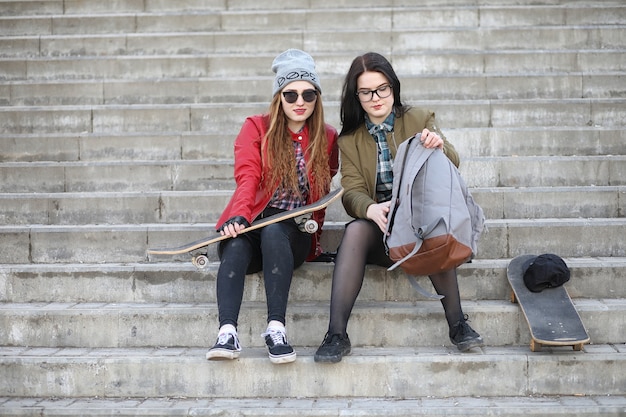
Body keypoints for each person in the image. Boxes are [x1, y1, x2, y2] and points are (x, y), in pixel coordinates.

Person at [313, 52, 483, 363]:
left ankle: (458, 324)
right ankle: (336, 334)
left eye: (383, 89)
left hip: (419, 222)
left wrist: (438, 146)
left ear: (394, 87)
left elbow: (454, 162)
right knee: (354, 231)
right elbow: (351, 192)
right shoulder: (349, 140)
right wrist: (371, 210)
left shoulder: (418, 119)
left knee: (429, 223)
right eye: (366, 92)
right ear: (356, 96)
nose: (376, 98)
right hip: (384, 228)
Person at [206, 49, 339, 364]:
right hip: (252, 221)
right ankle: (227, 332)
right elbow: (247, 175)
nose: (299, 101)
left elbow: (322, 192)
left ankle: (275, 329)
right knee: (237, 244)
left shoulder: (328, 136)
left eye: (308, 93)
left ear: (317, 97)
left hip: (290, 235)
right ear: (279, 96)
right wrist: (238, 215)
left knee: (276, 229)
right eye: (290, 94)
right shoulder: (256, 127)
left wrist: (315, 243)